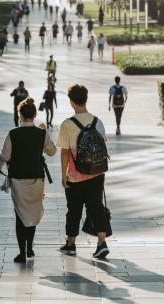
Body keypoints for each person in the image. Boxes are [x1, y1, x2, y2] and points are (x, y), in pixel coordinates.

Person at [56, 84, 111, 259]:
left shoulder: (67, 124)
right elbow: (102, 144)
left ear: (71, 102)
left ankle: (71, 244)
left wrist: (64, 175)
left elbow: (65, 151)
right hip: (97, 173)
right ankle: (101, 242)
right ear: (86, 99)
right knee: (96, 207)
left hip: (75, 176)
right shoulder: (98, 121)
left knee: (74, 209)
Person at [0, 98, 57, 262]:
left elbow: (4, 156)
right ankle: (30, 247)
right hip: (37, 178)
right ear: (35, 114)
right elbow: (52, 152)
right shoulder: (41, 133)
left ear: (20, 114)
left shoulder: (13, 133)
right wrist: (45, 132)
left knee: (20, 214)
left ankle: (22, 252)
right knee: (33, 211)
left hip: (18, 180)